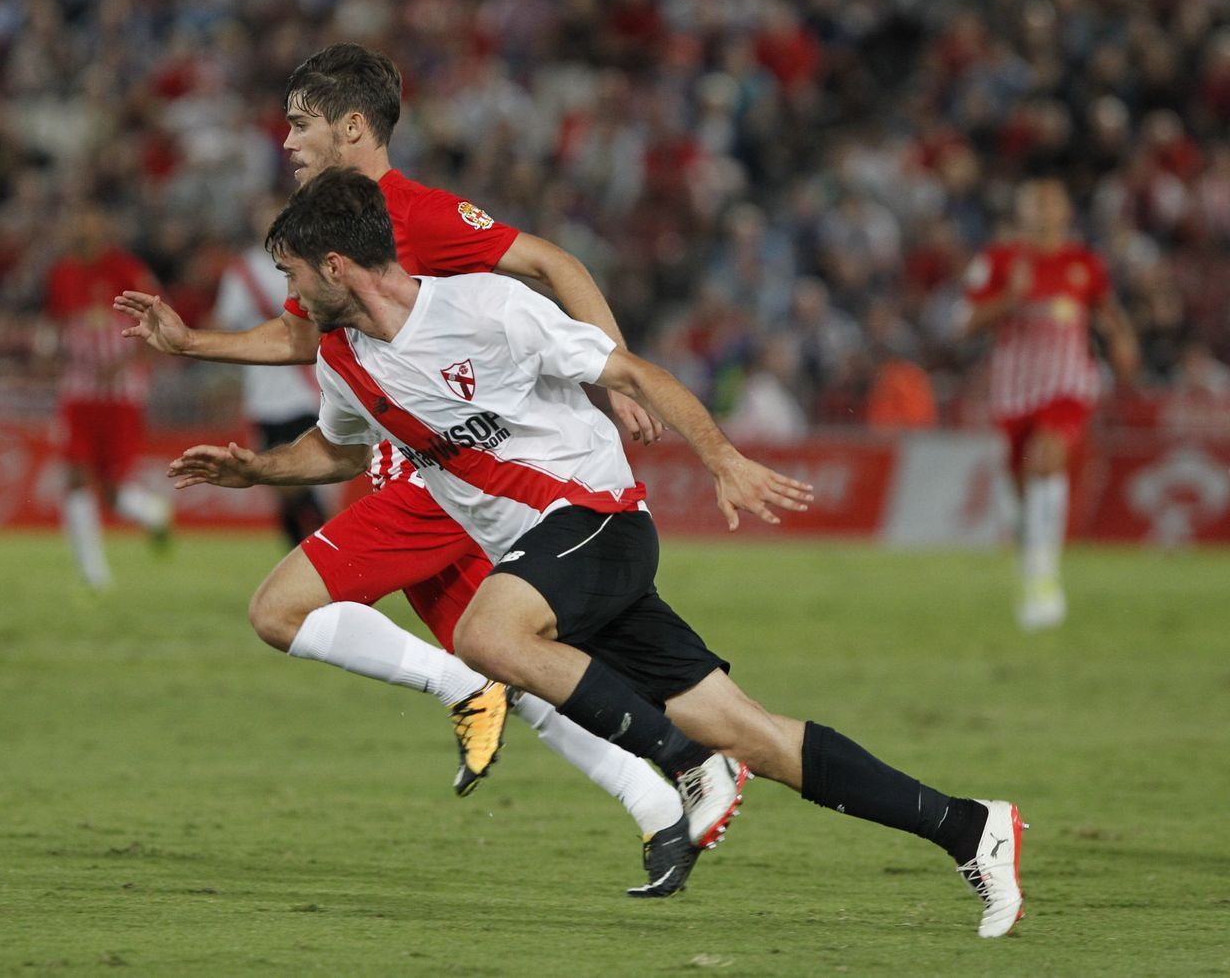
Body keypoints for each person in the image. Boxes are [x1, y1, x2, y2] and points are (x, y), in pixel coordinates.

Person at [171, 167, 1027, 939]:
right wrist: (256, 473)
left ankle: (689, 766)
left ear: (335, 265)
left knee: (485, 635)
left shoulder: (485, 309)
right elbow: (340, 451)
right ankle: (968, 826)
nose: (286, 294)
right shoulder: (343, 358)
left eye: (289, 273)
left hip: (598, 518)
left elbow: (633, 374)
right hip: (556, 562)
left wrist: (721, 456)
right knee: (758, 733)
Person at [117, 43, 740, 898]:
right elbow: (308, 334)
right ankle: (654, 802)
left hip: (446, 476)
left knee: (287, 610)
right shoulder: (326, 226)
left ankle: (484, 693)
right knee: (519, 661)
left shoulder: (414, 213)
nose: (286, 140)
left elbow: (554, 263)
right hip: (421, 467)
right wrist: (194, 344)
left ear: (351, 126)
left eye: (299, 123)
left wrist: (616, 372)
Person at [963, 178, 1138, 630]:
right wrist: (1011, 298)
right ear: (1022, 212)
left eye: (1050, 203)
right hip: (1015, 388)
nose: (1042, 212)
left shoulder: (1083, 263)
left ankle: (1044, 575)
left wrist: (1121, 341)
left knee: (1047, 456)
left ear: (1064, 212)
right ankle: (1030, 551)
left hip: (1068, 383)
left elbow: (1106, 312)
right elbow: (965, 324)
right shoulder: (998, 261)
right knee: (1022, 484)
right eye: (1033, 204)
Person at [45, 202, 171, 590]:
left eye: (90, 223)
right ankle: (93, 575)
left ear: (103, 230)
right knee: (76, 476)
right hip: (78, 393)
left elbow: (160, 318)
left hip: (121, 396)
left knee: (114, 493)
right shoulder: (61, 275)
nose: (83, 231)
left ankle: (154, 513)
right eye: (78, 224)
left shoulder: (126, 270)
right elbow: (58, 328)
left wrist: (132, 363)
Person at [212, 205, 327, 547]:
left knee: (295, 480)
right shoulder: (243, 271)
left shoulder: (310, 264)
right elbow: (224, 321)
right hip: (263, 396)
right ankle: (304, 560)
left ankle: (322, 559)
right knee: (280, 489)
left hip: (306, 390)